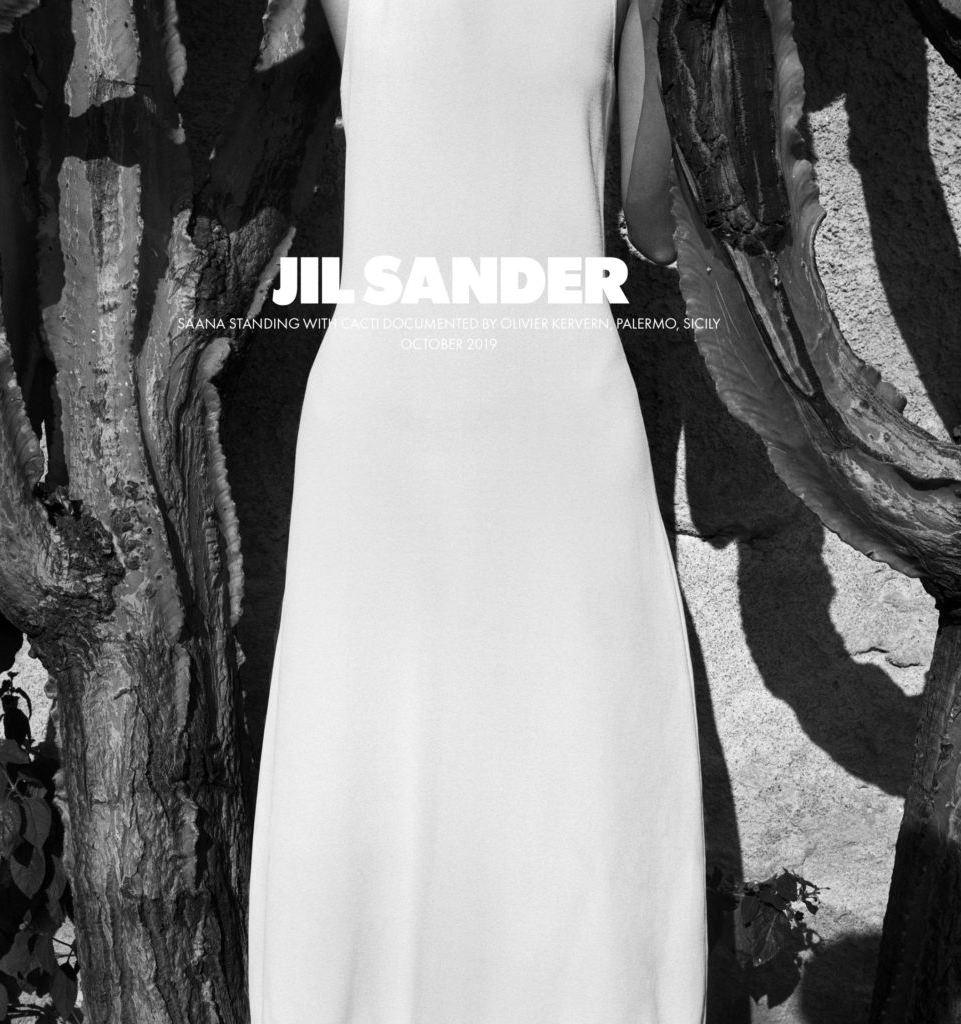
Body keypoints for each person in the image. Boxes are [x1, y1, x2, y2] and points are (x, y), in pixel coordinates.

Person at [248, 0, 707, 1020]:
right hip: (392, 449)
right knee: (372, 799)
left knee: (574, 804)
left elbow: (654, 220)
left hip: (554, 433)